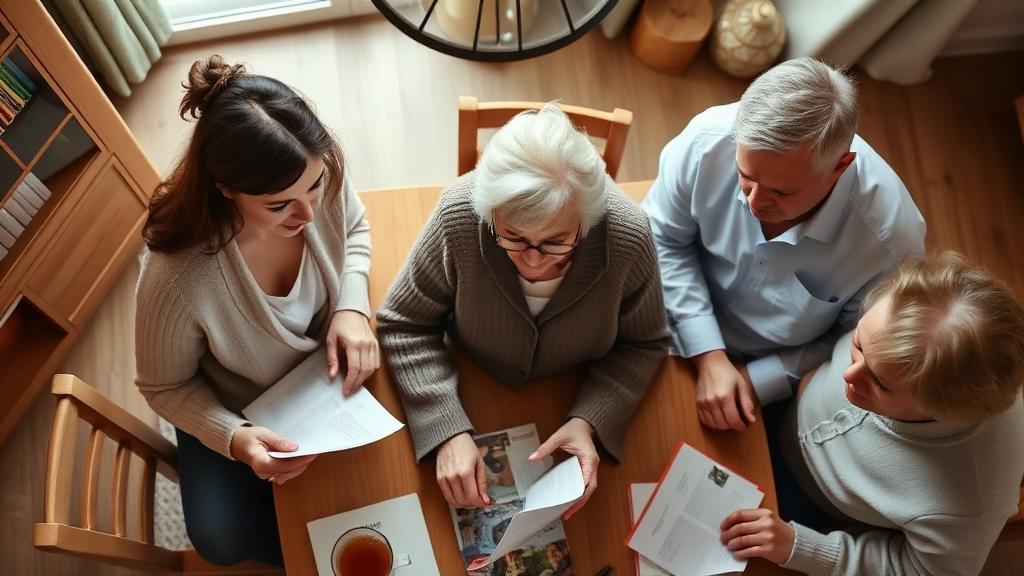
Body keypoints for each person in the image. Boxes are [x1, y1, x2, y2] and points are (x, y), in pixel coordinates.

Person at [135, 56, 378, 566]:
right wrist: (235, 437)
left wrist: (351, 307)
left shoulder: (315, 173)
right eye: (279, 205)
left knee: (376, 483)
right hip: (238, 401)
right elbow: (164, 387)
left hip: (325, 383)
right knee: (221, 539)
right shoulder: (176, 277)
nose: (310, 214)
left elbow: (354, 228)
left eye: (314, 188)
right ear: (225, 190)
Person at [376, 103, 669, 519]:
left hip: (569, 394)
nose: (533, 262)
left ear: (587, 220)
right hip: (472, 382)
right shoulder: (458, 217)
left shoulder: (628, 237)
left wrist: (589, 420)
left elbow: (645, 342)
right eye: (512, 237)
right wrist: (446, 428)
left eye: (555, 242)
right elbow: (403, 323)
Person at [642, 57, 926, 432]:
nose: (754, 203)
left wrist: (760, 378)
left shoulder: (892, 244)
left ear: (840, 167)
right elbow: (662, 237)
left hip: (769, 379)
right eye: (745, 176)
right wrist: (709, 355)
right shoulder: (705, 141)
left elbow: (851, 343)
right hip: (665, 308)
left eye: (781, 191)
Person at [719, 252, 1024, 576]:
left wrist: (798, 545)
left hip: (809, 498)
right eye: (858, 345)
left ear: (943, 410)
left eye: (879, 382)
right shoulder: (903, 312)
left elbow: (921, 571)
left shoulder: (968, 504)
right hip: (785, 403)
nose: (847, 376)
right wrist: (780, 376)